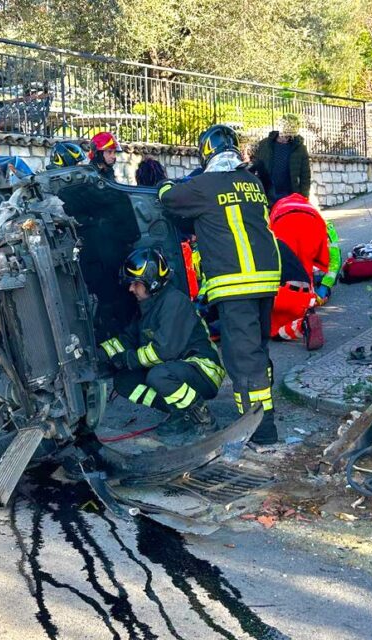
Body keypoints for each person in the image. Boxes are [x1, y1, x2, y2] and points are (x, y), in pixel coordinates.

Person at [159, 125, 282, 444]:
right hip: (267, 279)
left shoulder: (203, 185)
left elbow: (169, 199)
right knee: (257, 350)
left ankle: (260, 431)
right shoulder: (252, 181)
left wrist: (167, 184)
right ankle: (257, 415)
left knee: (243, 357)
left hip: (235, 283)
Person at [100, 248, 225, 442]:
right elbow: (128, 339)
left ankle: (204, 419)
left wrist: (128, 359)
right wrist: (100, 354)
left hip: (203, 370)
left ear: (152, 282)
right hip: (176, 368)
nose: (131, 289)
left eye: (135, 284)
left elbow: (164, 351)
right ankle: (180, 413)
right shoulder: (148, 306)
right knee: (124, 380)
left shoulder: (174, 303)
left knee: (158, 375)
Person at [269, 193, 337, 304]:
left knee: (285, 263)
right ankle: (306, 298)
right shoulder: (324, 224)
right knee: (305, 263)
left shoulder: (277, 209)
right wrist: (323, 288)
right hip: (305, 223)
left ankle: (289, 298)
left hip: (281, 224)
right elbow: (335, 260)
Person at [253, 114, 312, 206]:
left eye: (293, 127)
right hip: (266, 194)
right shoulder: (265, 144)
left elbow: (305, 176)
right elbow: (255, 167)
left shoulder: (300, 148)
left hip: (290, 195)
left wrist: (304, 197)